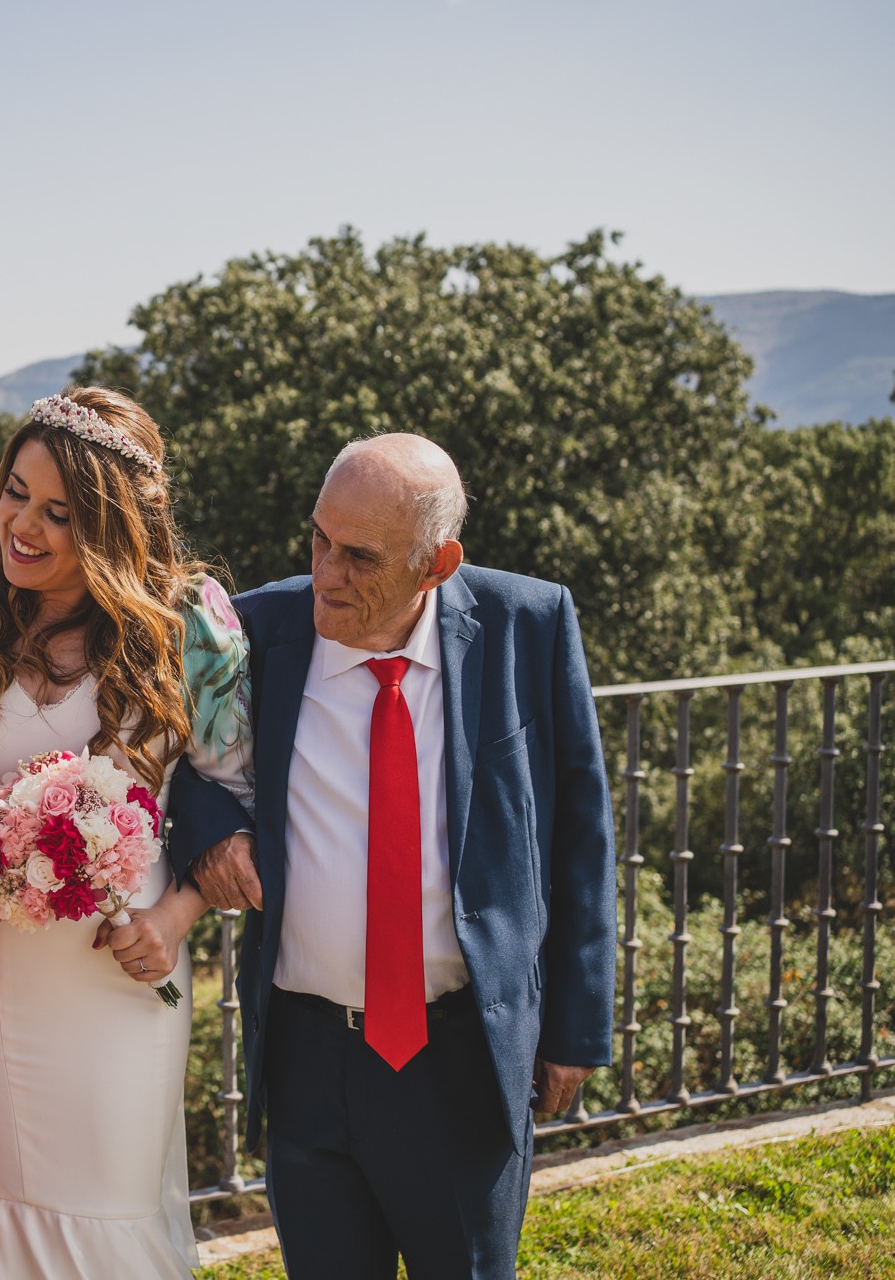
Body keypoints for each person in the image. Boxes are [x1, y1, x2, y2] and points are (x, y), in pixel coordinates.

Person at [170, 433, 616, 1279]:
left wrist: (576, 1026)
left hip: (462, 1058)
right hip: (306, 1053)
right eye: (318, 540)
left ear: (436, 562)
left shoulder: (529, 622)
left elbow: (580, 832)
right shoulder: (258, 628)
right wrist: (214, 835)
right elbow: (183, 761)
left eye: (358, 556)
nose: (326, 574)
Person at [0, 386, 254, 1279]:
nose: (22, 526)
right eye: (14, 492)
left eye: (60, 512)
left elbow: (237, 798)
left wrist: (179, 914)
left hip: (113, 971)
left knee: (101, 1209)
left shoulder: (188, 630)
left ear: (117, 525)